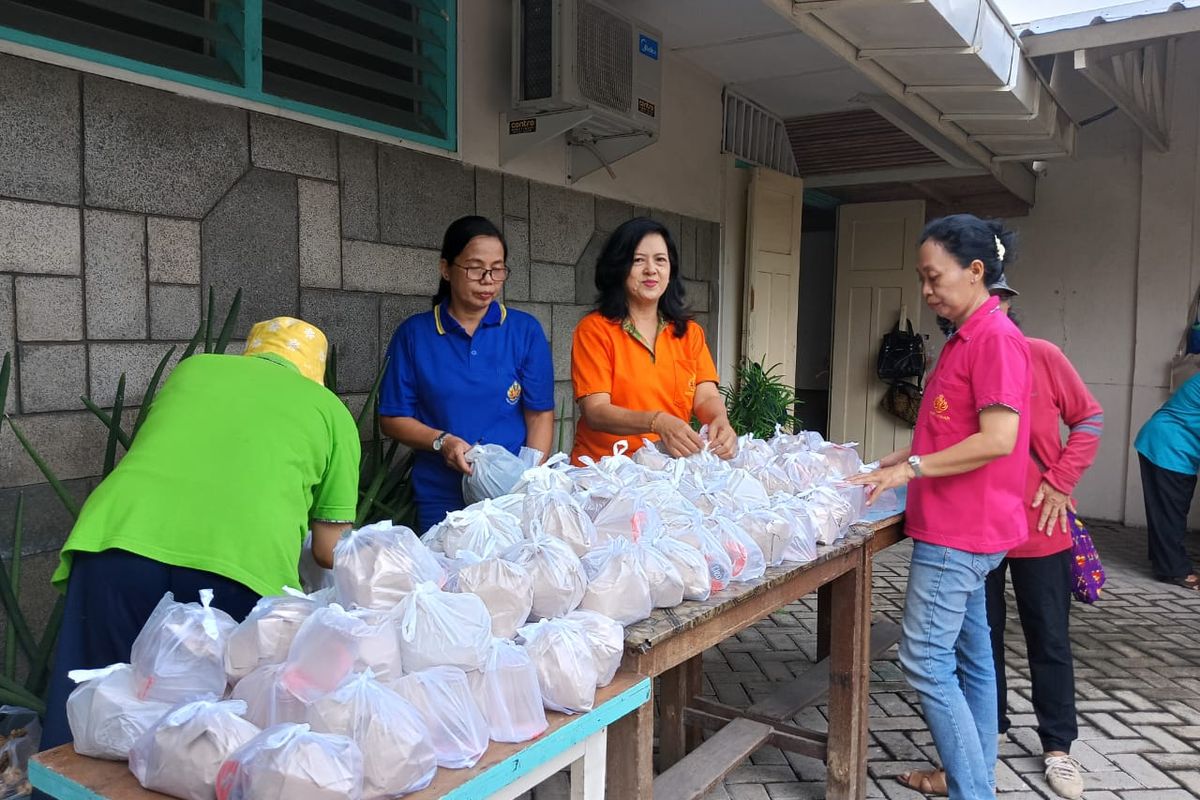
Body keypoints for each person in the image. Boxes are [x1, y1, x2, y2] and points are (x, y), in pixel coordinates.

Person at [41, 317, 360, 750]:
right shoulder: (331, 412)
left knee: (92, 705)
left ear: (251, 353)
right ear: (315, 374)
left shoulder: (195, 369)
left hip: (116, 543)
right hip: (237, 566)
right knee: (206, 741)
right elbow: (328, 550)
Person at [849, 214, 1032, 799]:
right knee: (972, 656)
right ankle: (974, 781)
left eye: (934, 278)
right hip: (970, 529)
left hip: (961, 531)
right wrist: (895, 458)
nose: (926, 291)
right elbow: (950, 429)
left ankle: (972, 791)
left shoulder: (996, 339)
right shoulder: (965, 337)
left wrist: (913, 469)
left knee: (927, 660)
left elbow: (998, 438)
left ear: (975, 272)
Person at [938, 278, 1102, 799]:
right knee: (978, 641)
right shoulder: (958, 359)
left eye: (1000, 300)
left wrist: (1060, 481)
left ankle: (1058, 748)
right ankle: (987, 741)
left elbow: (1089, 418)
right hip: (978, 526)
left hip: (1040, 526)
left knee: (1048, 637)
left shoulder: (1041, 356)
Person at [379, 216, 554, 532]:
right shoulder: (415, 334)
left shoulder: (524, 330)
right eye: (475, 268)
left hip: (508, 494)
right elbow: (392, 418)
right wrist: (441, 441)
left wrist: (526, 480)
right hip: (440, 495)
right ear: (446, 269)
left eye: (497, 269)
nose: (488, 279)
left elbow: (539, 415)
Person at [570, 216, 736, 464]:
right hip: (604, 473)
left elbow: (706, 397)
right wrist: (656, 422)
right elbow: (596, 411)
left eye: (660, 260)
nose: (651, 270)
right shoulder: (594, 330)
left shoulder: (689, 332)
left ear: (671, 270)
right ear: (618, 267)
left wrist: (719, 420)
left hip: (666, 469)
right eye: (638, 260)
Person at [1134, 372, 1200, 588]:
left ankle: (1163, 561)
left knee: (1169, 509)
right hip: (1169, 446)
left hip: (1173, 446)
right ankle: (1174, 571)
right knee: (1170, 510)